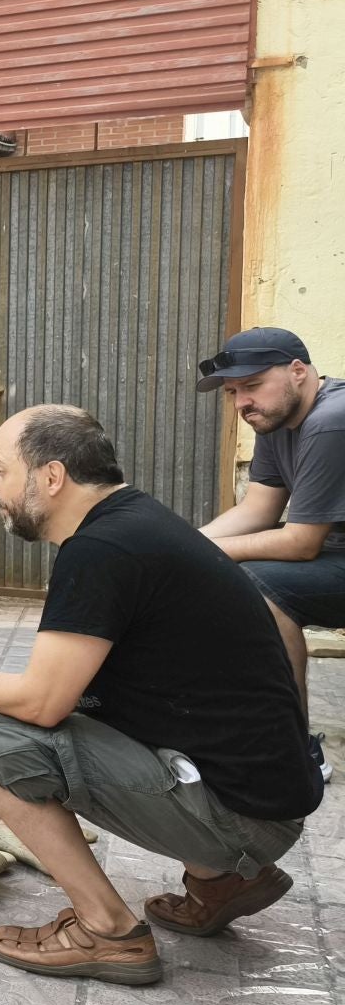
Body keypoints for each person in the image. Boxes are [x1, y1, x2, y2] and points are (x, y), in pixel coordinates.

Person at [0, 405, 321, 985]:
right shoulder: (133, 523)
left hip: (245, 817)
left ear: (51, 477)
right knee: (1, 721)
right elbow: (84, 693)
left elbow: (42, 705)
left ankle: (107, 931)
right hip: (264, 796)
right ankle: (222, 881)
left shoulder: (100, 552)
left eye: (1, 469)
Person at [195, 327, 343, 774]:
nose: (242, 403)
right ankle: (239, 723)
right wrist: (176, 548)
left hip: (329, 554)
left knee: (259, 589)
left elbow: (300, 543)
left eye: (253, 386)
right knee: (219, 573)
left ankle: (293, 751)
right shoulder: (277, 420)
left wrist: (194, 557)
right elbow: (258, 509)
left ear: (298, 371)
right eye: (233, 391)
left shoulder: (331, 419)